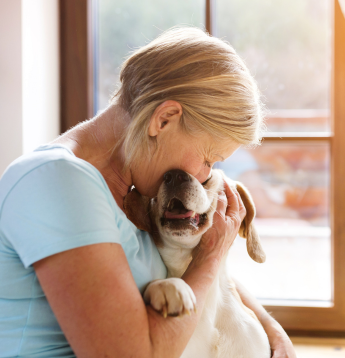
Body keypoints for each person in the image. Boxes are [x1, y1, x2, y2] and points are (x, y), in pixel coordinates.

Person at [0, 27, 296, 358]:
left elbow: (185, 270)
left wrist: (271, 329)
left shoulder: (134, 194)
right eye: (208, 159)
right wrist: (210, 257)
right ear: (164, 119)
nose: (203, 176)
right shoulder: (59, 182)